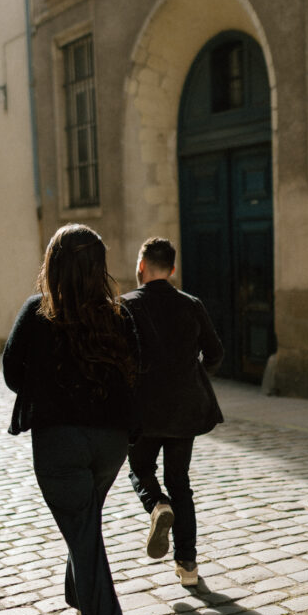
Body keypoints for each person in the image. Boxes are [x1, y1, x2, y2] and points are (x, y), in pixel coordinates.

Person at [2, 224, 139, 615]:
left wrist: (51, 383)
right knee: (84, 526)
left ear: (53, 265)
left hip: (60, 445)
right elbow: (135, 375)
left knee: (84, 537)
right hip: (110, 445)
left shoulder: (37, 314)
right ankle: (79, 595)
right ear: (98, 267)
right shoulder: (119, 316)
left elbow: (11, 373)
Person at [123, 237, 223, 586]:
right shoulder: (191, 304)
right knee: (180, 483)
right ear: (173, 269)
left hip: (143, 411)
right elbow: (215, 353)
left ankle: (156, 506)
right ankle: (189, 567)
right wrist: (191, 374)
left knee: (139, 469)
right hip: (184, 409)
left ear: (141, 266)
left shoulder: (125, 307)